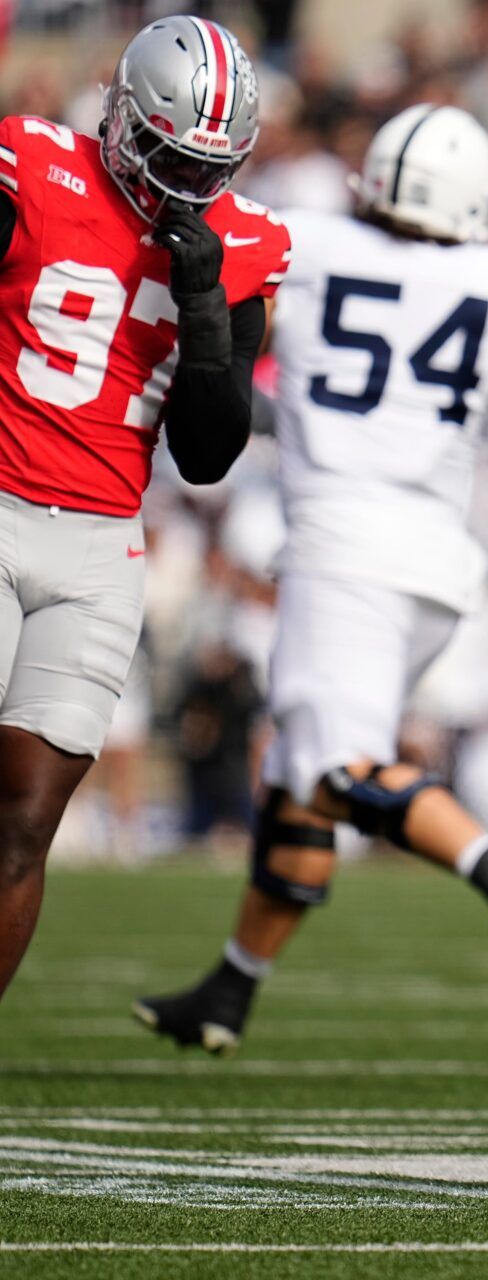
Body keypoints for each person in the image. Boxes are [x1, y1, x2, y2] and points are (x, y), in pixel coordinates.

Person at [134, 104, 488, 1053]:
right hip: (441, 569)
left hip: (343, 546)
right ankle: (233, 989)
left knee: (329, 764)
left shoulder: (308, 247)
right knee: (296, 781)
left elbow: (218, 329)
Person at [0, 17, 286, 1002]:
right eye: (168, 156)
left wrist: (206, 303)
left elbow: (208, 453)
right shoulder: (31, 163)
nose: (182, 184)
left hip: (101, 539)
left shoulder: (243, 245)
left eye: (210, 167)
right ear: (125, 117)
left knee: (27, 822)